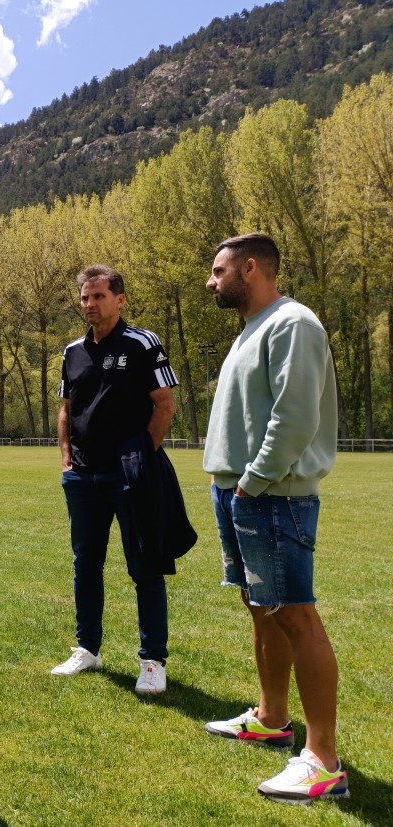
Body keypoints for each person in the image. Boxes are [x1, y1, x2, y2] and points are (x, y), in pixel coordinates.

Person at [202, 233, 347, 804]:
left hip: (271, 492)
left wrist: (254, 480)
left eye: (219, 271)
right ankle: (271, 718)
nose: (211, 282)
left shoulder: (294, 324)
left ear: (252, 267)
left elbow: (294, 416)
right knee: (262, 606)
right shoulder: (252, 328)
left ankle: (323, 760)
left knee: (296, 616)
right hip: (241, 489)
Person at [54, 264, 179, 694]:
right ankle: (87, 649)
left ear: (119, 299)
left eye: (99, 297)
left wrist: (142, 456)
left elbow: (164, 404)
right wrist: (67, 458)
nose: (90, 305)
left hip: (129, 477)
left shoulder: (143, 343)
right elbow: (66, 409)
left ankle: (152, 661)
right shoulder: (72, 351)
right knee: (85, 566)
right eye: (85, 298)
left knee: (144, 566)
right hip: (82, 478)